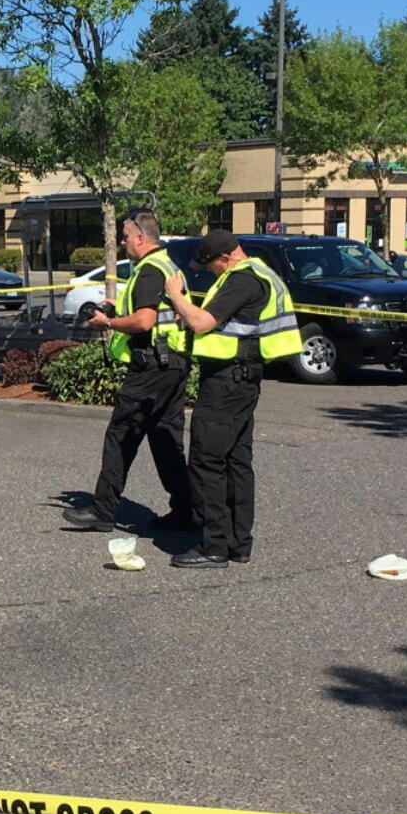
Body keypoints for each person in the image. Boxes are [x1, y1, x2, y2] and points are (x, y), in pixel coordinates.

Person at [163, 229, 302, 568]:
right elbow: (221, 326)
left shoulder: (242, 280)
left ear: (226, 257)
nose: (208, 269)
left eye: (210, 264)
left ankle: (213, 546)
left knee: (207, 462)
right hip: (243, 381)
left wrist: (176, 295)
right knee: (237, 463)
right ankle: (238, 543)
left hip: (226, 385)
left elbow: (201, 323)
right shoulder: (260, 274)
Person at [62, 210, 192, 532]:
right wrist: (117, 308)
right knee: (166, 440)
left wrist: (107, 321)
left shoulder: (149, 270)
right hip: (172, 365)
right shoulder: (167, 264)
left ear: (139, 238)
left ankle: (103, 511)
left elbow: (145, 321)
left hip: (150, 368)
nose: (121, 242)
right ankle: (187, 510)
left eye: (124, 236)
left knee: (120, 436)